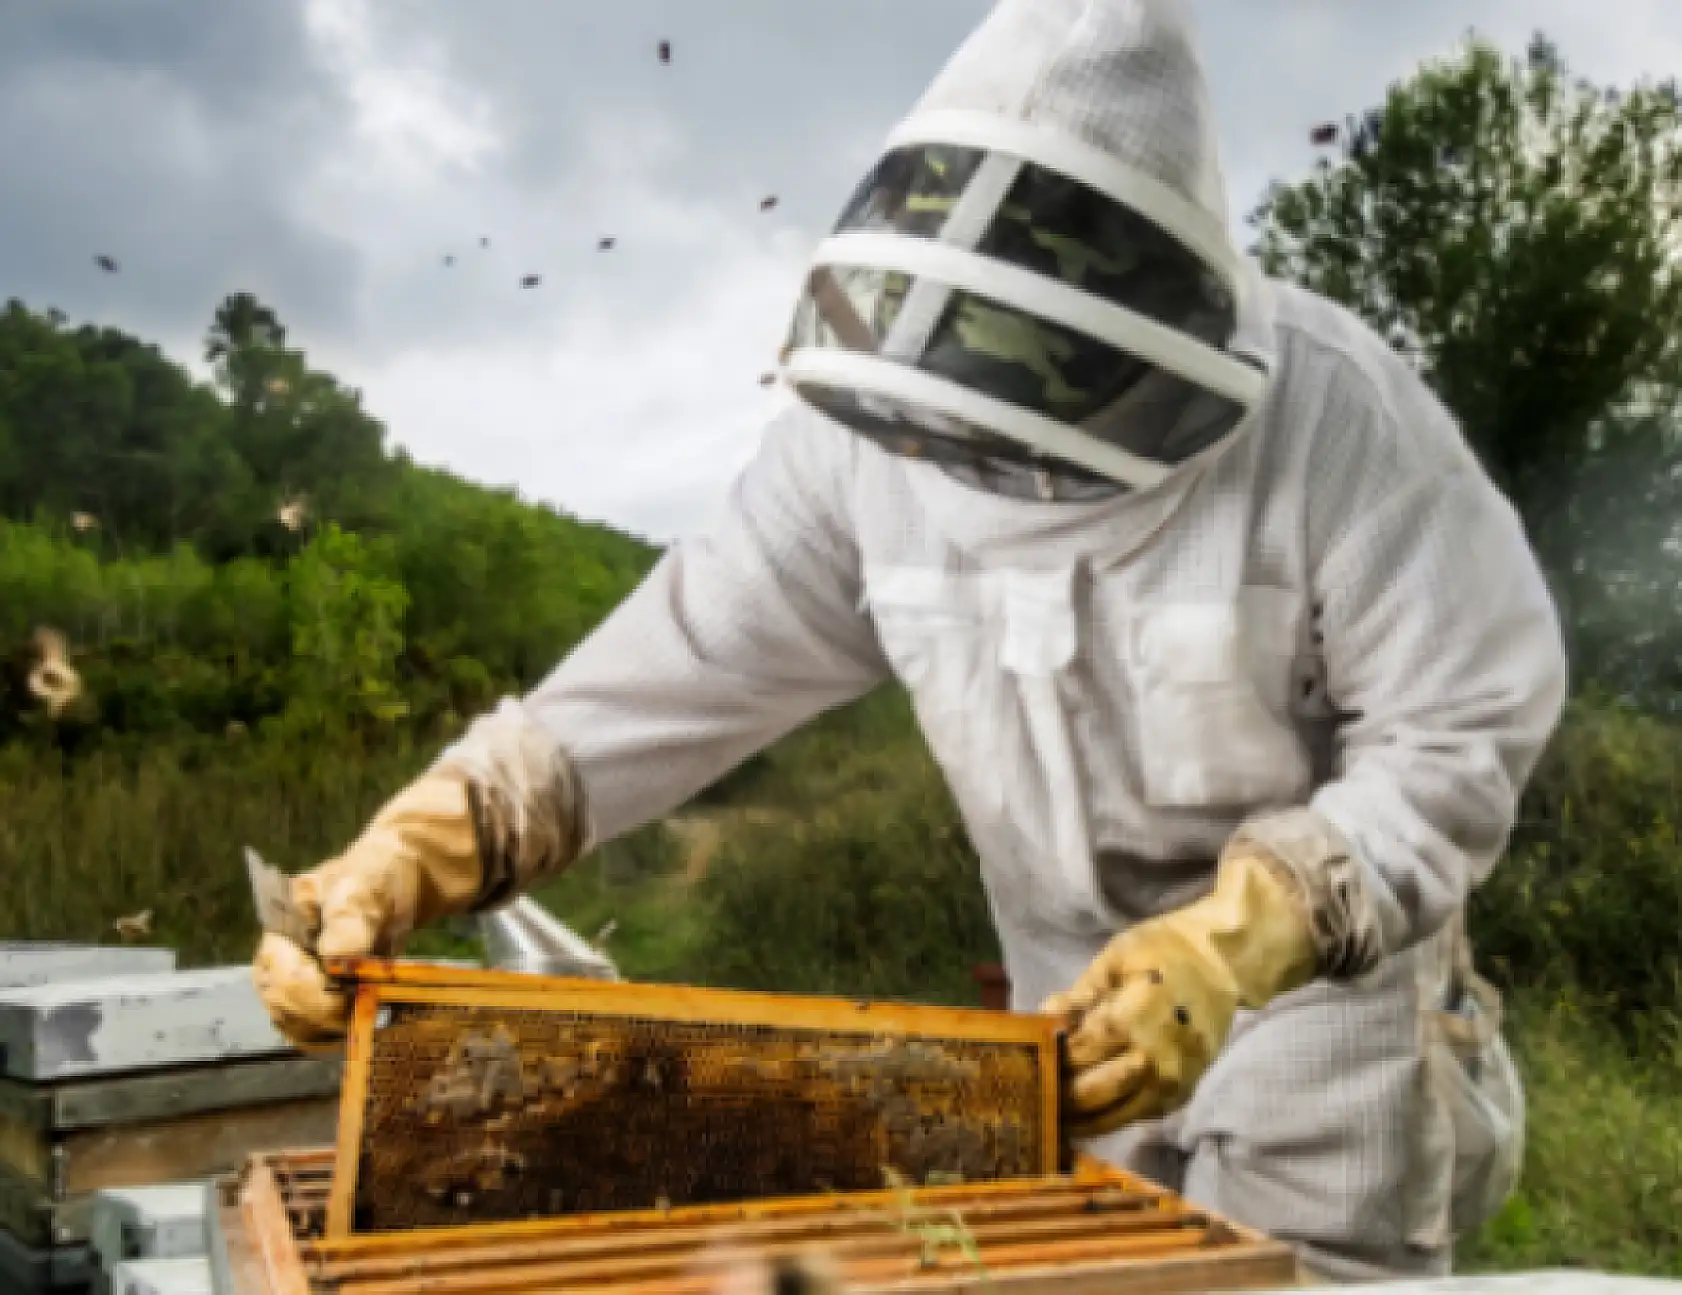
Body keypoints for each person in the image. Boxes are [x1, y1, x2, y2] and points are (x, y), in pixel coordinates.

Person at [252, 0, 1568, 1280]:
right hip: (1053, 1034)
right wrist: (410, 849)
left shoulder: (1345, 428)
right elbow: (677, 665)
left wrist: (1228, 945)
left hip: (1317, 1027)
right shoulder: (861, 446)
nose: (989, 462)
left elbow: (1456, 737)